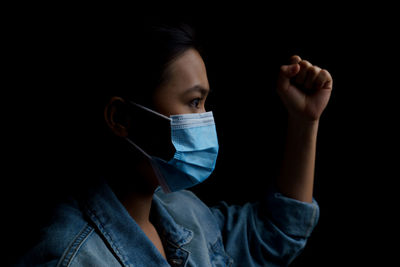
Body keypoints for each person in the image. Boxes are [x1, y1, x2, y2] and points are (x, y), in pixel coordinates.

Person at [15, 21, 332, 266]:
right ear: (121, 118)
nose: (206, 119)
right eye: (194, 102)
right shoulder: (70, 257)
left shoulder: (182, 212)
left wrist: (305, 122)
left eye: (205, 103)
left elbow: (274, 235)